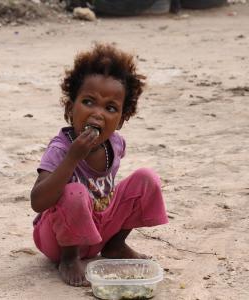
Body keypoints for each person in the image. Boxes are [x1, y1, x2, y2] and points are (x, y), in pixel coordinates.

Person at [30, 43, 169, 287]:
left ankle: (115, 245)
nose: (98, 114)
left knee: (146, 178)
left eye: (111, 108)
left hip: (97, 230)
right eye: (88, 102)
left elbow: (110, 195)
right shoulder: (61, 149)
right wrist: (72, 158)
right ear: (70, 107)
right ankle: (70, 259)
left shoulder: (115, 144)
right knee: (75, 192)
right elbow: (38, 202)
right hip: (56, 239)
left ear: (122, 120)